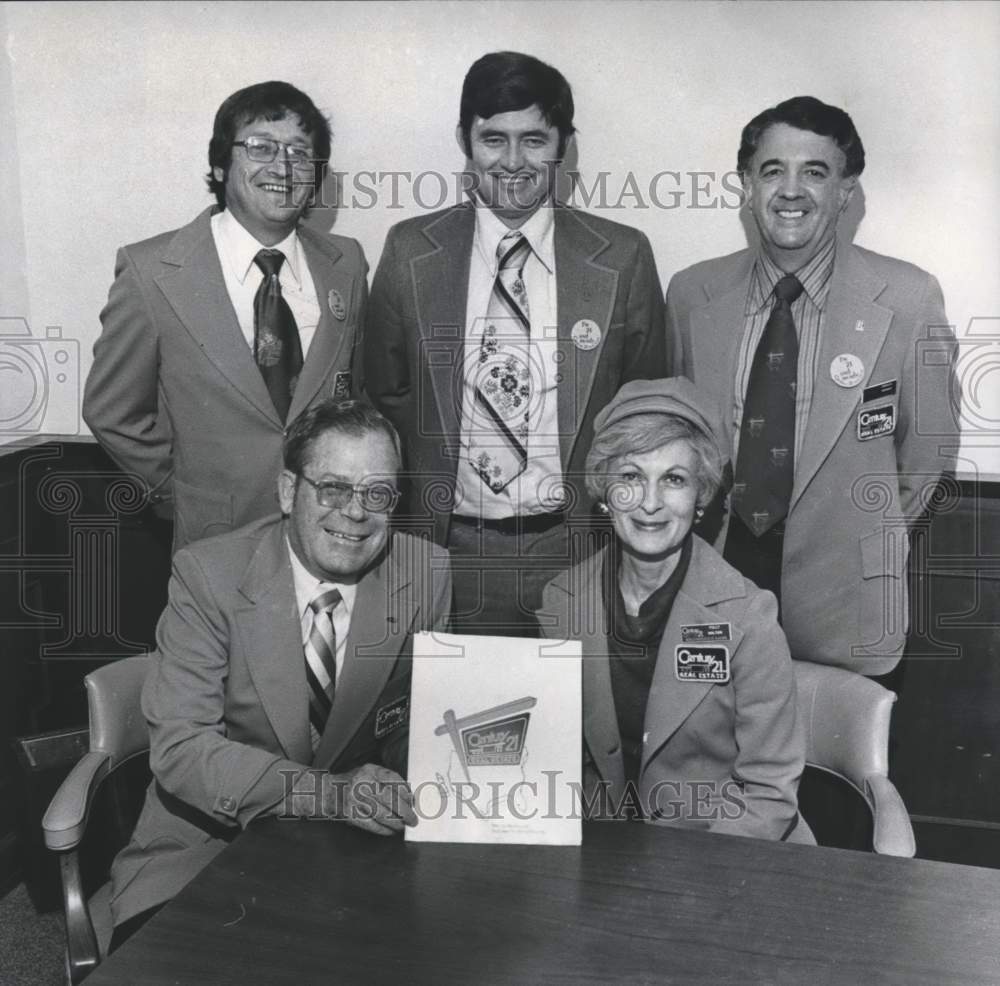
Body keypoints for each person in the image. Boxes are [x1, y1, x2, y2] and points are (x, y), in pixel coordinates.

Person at [108, 400, 452, 948]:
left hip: (353, 854)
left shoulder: (426, 572)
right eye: (333, 488)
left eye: (377, 493)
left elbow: (417, 719)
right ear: (289, 491)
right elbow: (181, 751)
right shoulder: (208, 575)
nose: (355, 512)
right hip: (207, 845)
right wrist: (330, 794)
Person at [366, 51, 667, 637]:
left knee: (580, 723)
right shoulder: (410, 252)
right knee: (449, 722)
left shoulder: (623, 256)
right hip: (444, 551)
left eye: (534, 139)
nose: (512, 161)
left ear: (564, 147)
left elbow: (645, 415)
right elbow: (385, 398)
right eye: (492, 139)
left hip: (579, 550)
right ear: (463, 140)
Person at [666, 96, 959, 675]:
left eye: (816, 172)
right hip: (712, 596)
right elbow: (677, 441)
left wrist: (859, 544)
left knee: (835, 764)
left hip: (845, 610)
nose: (791, 190)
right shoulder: (691, 294)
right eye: (772, 170)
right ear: (746, 185)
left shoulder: (907, 299)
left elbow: (927, 458)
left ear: (846, 191)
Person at [83, 81, 368, 552]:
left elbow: (357, 396)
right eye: (261, 147)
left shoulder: (348, 264)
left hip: (329, 538)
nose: (284, 166)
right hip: (212, 544)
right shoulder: (151, 270)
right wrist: (182, 495)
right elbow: (111, 411)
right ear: (220, 163)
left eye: (300, 151)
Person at [537, 378, 805, 840]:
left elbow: (768, 793)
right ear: (604, 491)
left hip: (717, 856)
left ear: (701, 496)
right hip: (603, 855)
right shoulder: (561, 602)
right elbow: (552, 767)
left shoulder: (748, 616)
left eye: (674, 480)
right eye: (631, 477)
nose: (650, 503)